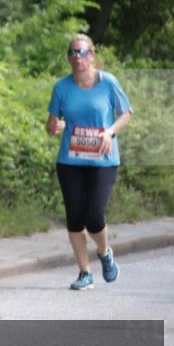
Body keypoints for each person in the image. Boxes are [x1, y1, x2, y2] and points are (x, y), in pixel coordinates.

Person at [46, 34, 133, 290]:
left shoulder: (108, 83)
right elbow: (51, 126)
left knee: (94, 217)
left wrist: (110, 132)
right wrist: (55, 126)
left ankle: (104, 252)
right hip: (70, 161)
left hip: (103, 161)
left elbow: (125, 113)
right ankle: (85, 273)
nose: (78, 57)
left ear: (92, 55)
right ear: (68, 57)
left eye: (82, 52)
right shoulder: (61, 87)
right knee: (74, 217)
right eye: (73, 53)